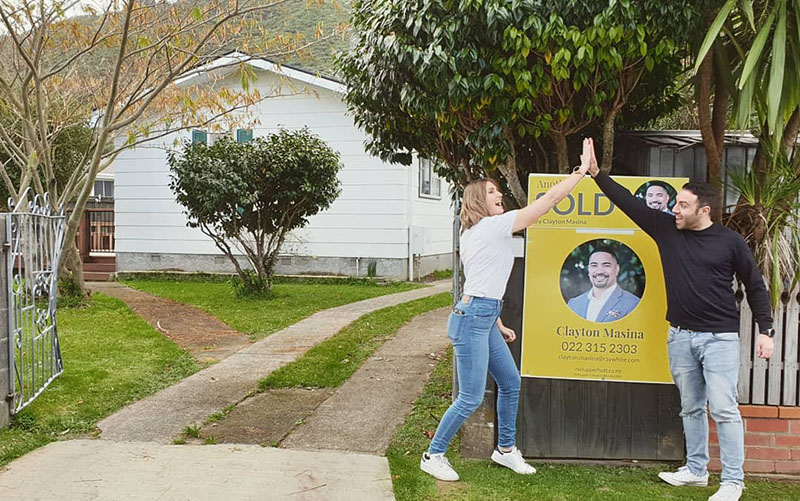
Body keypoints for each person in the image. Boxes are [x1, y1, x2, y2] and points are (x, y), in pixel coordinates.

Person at [585, 138, 774, 501]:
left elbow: (755, 285)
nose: (675, 209)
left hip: (719, 339)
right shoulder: (666, 229)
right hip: (681, 337)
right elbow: (628, 203)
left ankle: (733, 481)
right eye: (676, 203)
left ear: (704, 210)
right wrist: (597, 174)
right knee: (691, 408)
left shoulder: (729, 242)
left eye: (683, 205)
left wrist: (765, 330)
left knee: (724, 409)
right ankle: (696, 471)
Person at [420, 139, 594, 482]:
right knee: (470, 398)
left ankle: (505, 449)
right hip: (472, 320)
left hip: (482, 316)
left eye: (498, 190)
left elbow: (480, 282)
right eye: (491, 192)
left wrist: (497, 322)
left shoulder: (478, 231)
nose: (499, 194)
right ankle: (433, 454)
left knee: (510, 382)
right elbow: (547, 202)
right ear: (477, 201)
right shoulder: (490, 226)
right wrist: (581, 172)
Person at [567, 248, 640, 322]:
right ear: (589, 269)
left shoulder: (633, 304)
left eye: (606, 265)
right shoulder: (574, 304)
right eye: (594, 265)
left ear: (617, 269)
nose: (599, 271)